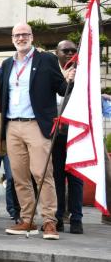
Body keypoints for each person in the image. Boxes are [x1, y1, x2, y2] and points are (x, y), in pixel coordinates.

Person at [1, 23, 74, 240]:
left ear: (32, 37)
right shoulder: (6, 64)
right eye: (17, 35)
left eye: (25, 34)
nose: (21, 38)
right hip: (12, 125)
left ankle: (50, 221)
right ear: (12, 38)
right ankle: (27, 220)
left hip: (37, 125)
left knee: (42, 173)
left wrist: (70, 78)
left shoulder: (46, 60)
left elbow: (61, 88)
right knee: (19, 177)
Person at [53, 39, 83, 234]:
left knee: (76, 179)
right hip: (55, 135)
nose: (70, 54)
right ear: (57, 53)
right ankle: (58, 218)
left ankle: (77, 219)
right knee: (56, 178)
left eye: (73, 51)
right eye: (65, 50)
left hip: (76, 136)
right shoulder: (52, 73)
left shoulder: (83, 75)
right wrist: (64, 79)